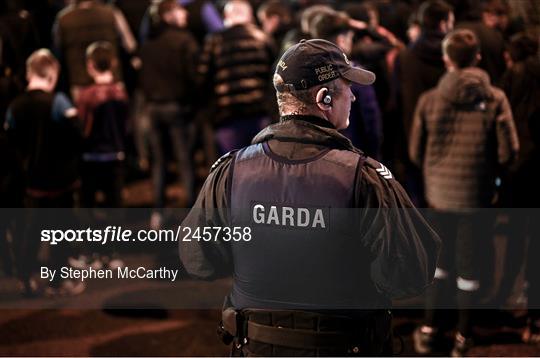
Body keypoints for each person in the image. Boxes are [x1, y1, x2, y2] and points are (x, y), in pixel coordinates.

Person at [180, 38, 441, 356]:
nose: (354, 96)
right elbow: (409, 275)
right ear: (324, 97)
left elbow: (199, 260)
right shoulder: (363, 177)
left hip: (258, 348)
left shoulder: (231, 171)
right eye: (347, 87)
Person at [408, 29, 519, 356]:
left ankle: (429, 328)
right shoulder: (496, 98)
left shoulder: (430, 99)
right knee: (471, 265)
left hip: (439, 196)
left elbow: (416, 151)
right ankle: (464, 335)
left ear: (447, 59)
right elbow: (507, 151)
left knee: (439, 262)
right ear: (478, 58)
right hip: (477, 196)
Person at [4, 49, 83, 296]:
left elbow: (9, 139)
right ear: (53, 75)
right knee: (60, 230)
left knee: (32, 229)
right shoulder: (59, 102)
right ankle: (58, 281)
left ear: (29, 74)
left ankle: (25, 278)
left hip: (31, 180)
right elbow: (76, 134)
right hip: (61, 179)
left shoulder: (15, 106)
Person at [139, 0, 198, 227]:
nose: (185, 13)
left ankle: (158, 212)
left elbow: (142, 78)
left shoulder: (148, 44)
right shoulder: (184, 41)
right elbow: (193, 76)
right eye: (179, 10)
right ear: (168, 15)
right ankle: (191, 212)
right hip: (177, 107)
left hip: (153, 107)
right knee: (185, 159)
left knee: (159, 161)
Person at [197, 0, 275, 155]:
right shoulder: (262, 38)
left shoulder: (213, 40)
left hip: (227, 115)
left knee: (233, 167)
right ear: (250, 16)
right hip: (259, 112)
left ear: (226, 16)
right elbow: (274, 75)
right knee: (264, 165)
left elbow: (202, 78)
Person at [311, 10, 383, 159]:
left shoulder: (305, 73)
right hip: (352, 156)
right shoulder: (356, 76)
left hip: (315, 157)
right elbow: (371, 123)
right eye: (350, 38)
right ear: (341, 40)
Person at [53, 0, 137, 101]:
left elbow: (57, 49)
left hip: (79, 83)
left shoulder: (63, 18)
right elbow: (130, 44)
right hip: (112, 80)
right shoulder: (111, 14)